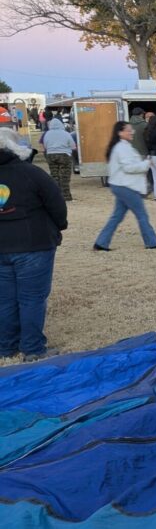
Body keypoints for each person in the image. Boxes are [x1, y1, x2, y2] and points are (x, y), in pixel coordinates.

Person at [0, 127, 68, 362]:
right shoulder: (31, 173)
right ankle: (32, 348)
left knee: (5, 298)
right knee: (32, 298)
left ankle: (6, 346)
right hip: (33, 244)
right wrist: (60, 225)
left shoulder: (30, 172)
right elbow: (56, 202)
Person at [94, 121, 156, 251]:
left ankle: (101, 243)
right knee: (142, 215)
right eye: (128, 130)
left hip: (121, 185)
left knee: (117, 217)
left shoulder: (122, 147)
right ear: (120, 132)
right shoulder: (122, 148)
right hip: (126, 186)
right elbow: (129, 168)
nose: (132, 132)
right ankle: (152, 243)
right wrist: (146, 164)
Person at [41, 118, 76, 201]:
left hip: (51, 155)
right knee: (64, 177)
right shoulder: (65, 133)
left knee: (54, 176)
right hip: (64, 155)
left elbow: (45, 146)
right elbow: (73, 146)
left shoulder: (47, 134)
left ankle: (56, 197)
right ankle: (66, 197)